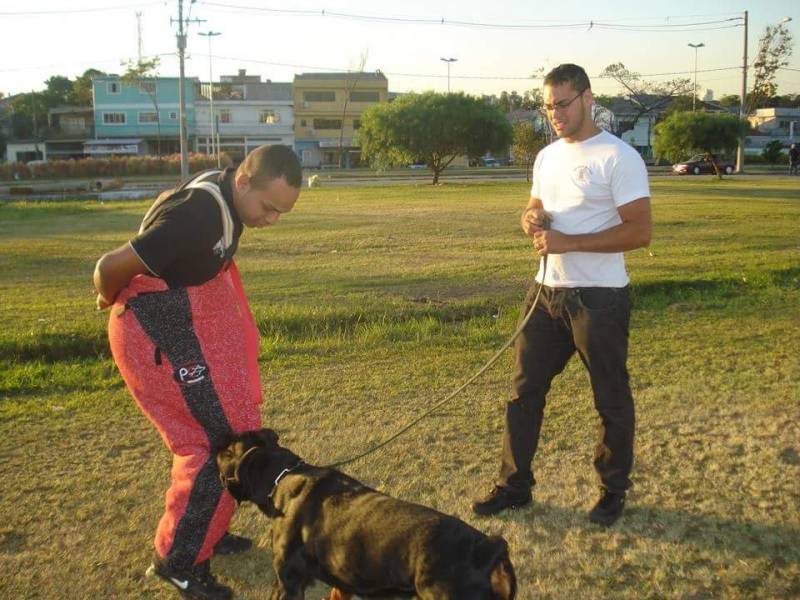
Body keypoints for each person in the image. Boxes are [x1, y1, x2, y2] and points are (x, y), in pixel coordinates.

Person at [93, 145, 302, 599]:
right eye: (269, 208)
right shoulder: (198, 216)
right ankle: (178, 561)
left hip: (184, 324)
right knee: (213, 447)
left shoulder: (229, 196)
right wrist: (110, 298)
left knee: (234, 429)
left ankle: (208, 526)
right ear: (243, 182)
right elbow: (109, 268)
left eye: (281, 213)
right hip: (157, 333)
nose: (271, 221)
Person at [472, 64, 652, 526]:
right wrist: (530, 219)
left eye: (563, 104)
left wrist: (568, 242)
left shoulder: (619, 157)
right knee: (523, 392)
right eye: (548, 106)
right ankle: (515, 486)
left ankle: (612, 490)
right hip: (546, 292)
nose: (555, 114)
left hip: (600, 298)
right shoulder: (547, 156)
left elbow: (640, 232)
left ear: (588, 99)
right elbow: (535, 207)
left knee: (610, 396)